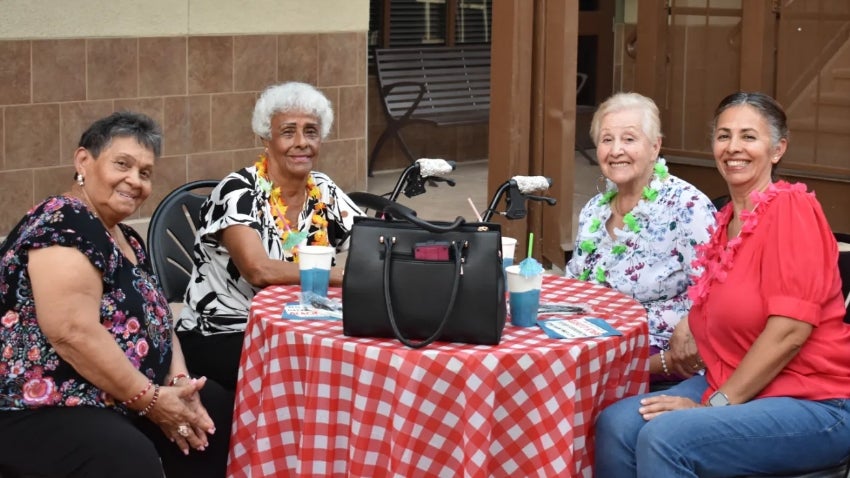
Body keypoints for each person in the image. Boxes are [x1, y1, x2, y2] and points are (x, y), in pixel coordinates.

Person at [594, 92, 850, 477]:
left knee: (665, 438)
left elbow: (790, 331)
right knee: (616, 425)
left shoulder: (791, 209)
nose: (734, 148)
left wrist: (717, 405)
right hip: (730, 381)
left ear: (777, 149)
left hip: (813, 401)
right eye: (724, 136)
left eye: (749, 137)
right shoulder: (725, 221)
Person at [0, 112, 232, 477]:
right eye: (122, 164)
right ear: (83, 161)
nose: (135, 181)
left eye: (145, 172)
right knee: (126, 456)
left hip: (114, 394)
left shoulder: (126, 238)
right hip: (46, 403)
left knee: (212, 408)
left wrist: (179, 383)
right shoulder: (64, 222)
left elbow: (159, 321)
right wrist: (153, 401)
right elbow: (71, 332)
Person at [176, 81, 363, 390]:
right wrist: (340, 275)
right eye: (288, 132)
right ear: (265, 138)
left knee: (351, 360)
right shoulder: (238, 190)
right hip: (224, 331)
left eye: (311, 132)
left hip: (299, 325)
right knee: (311, 375)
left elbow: (369, 241)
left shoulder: (324, 190)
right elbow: (257, 269)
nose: (302, 142)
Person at [566, 92, 716, 386]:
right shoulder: (593, 210)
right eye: (607, 140)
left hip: (661, 358)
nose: (616, 150)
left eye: (629, 139)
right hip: (591, 344)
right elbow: (576, 282)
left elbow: (718, 290)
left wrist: (670, 355)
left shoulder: (687, 206)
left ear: (655, 146)